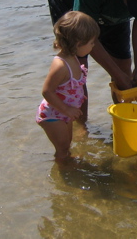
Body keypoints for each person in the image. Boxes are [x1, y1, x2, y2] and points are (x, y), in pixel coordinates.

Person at [36, 11, 100, 162]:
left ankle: (66, 159)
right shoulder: (61, 65)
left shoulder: (74, 58)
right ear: (78, 44)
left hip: (65, 113)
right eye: (91, 42)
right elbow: (47, 91)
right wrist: (66, 109)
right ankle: (63, 168)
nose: (93, 45)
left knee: (67, 143)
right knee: (62, 147)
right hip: (53, 115)